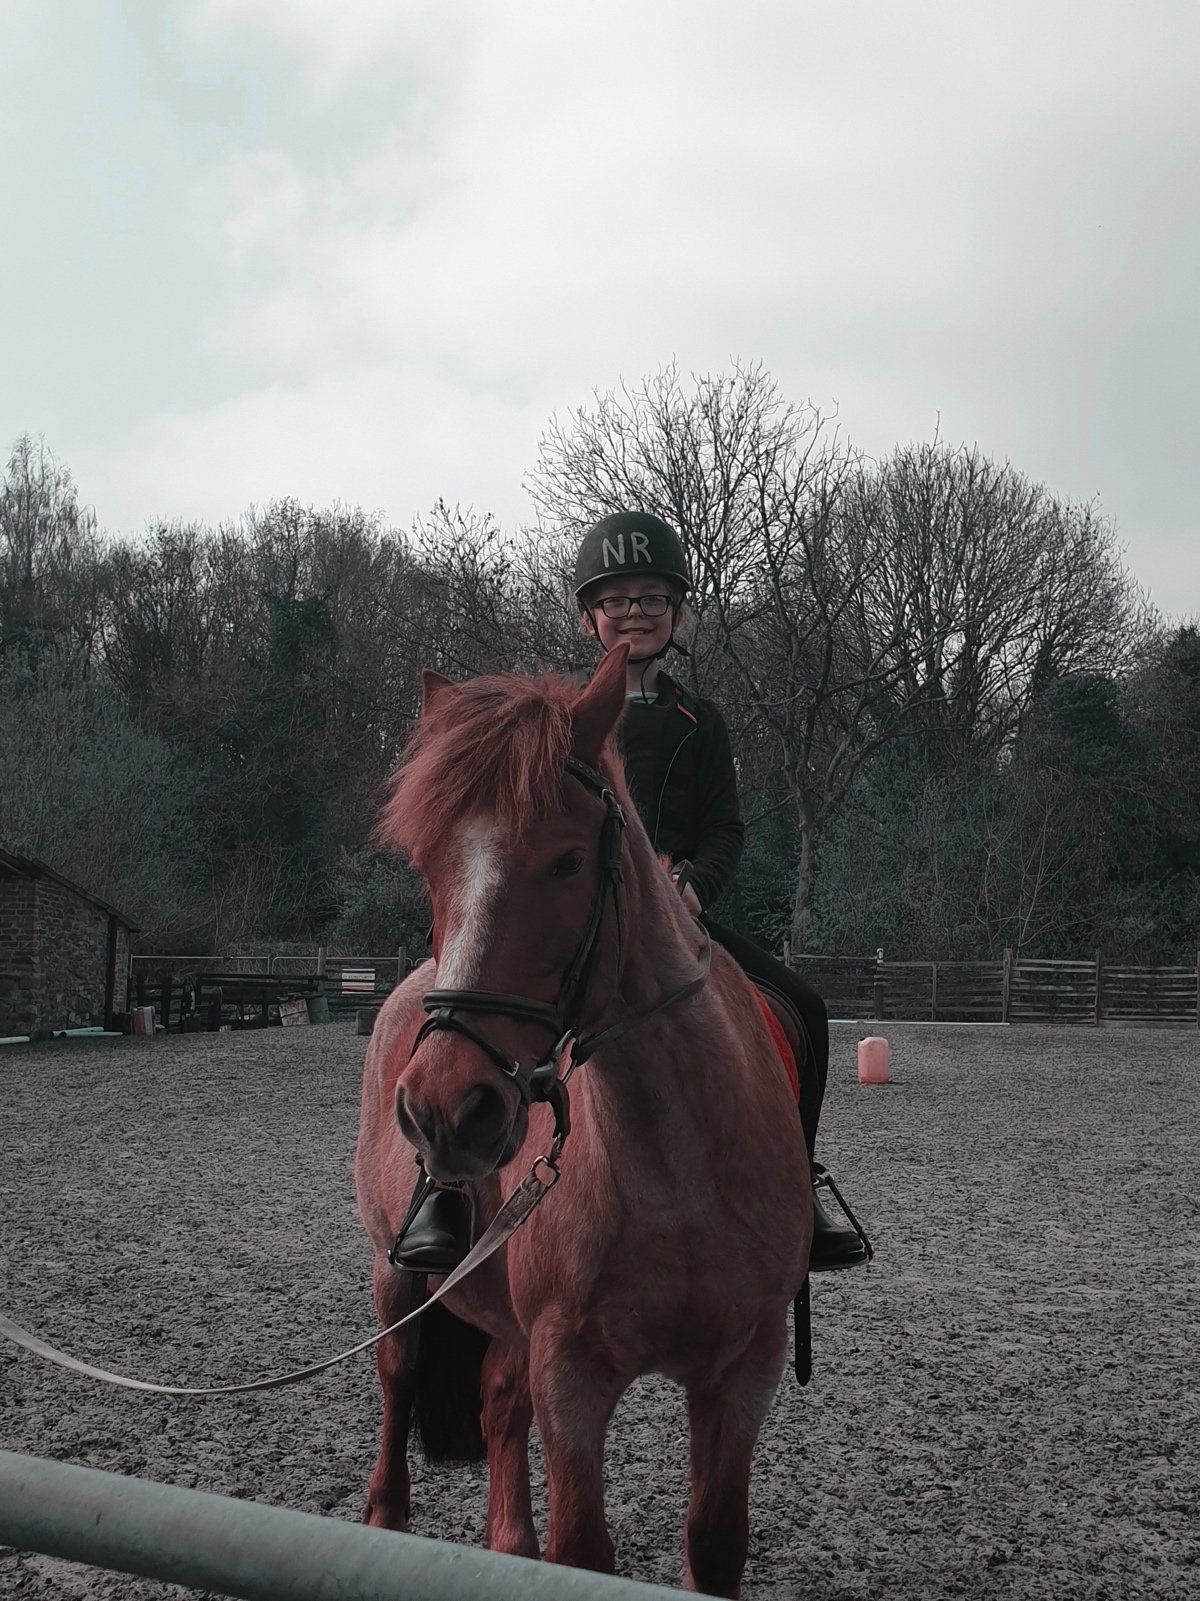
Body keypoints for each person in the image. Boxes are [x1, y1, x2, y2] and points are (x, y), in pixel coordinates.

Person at [394, 510, 868, 1273]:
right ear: (589, 617)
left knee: (804, 1007)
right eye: (617, 601)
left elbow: (725, 829)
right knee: (472, 1016)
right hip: (579, 920)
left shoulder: (699, 722)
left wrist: (692, 885)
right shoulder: (554, 726)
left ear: (676, 613)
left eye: (651, 599)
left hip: (672, 919)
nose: (634, 613)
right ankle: (443, 1183)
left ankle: (798, 1178)